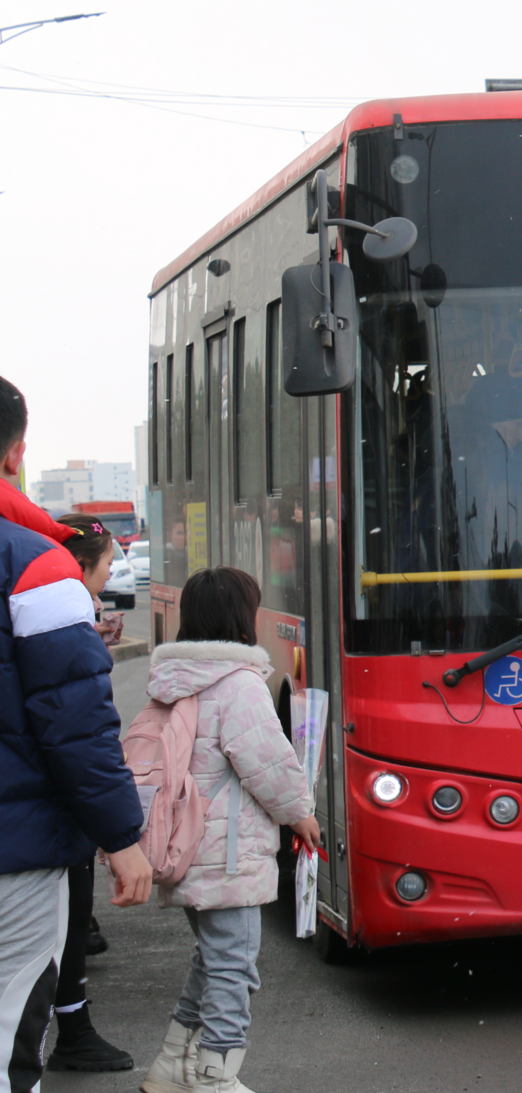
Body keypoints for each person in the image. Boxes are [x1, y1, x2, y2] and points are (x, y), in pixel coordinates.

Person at [0, 376, 153, 1093]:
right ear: (15, 454)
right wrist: (121, 837)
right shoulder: (36, 564)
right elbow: (76, 722)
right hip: (15, 857)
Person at [140, 566, 318, 1093]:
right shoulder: (239, 683)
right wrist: (301, 813)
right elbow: (268, 762)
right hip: (227, 853)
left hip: (189, 845)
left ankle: (174, 1064)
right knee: (234, 968)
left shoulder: (173, 681)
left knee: (213, 960)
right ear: (242, 617)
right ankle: (217, 1075)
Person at [44, 515, 134, 1072]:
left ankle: (73, 1028)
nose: (107, 579)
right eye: (105, 567)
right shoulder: (58, 610)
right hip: (53, 806)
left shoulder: (48, 610)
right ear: (81, 568)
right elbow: (81, 735)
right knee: (69, 918)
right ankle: (71, 1031)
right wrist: (120, 835)